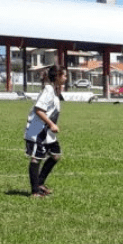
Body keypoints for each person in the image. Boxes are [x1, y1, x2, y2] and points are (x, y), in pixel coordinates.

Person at [24, 64, 67, 197]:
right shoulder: (48, 90)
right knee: (36, 158)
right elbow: (39, 110)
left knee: (55, 155)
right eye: (64, 75)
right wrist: (51, 124)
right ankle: (35, 192)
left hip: (45, 130)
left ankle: (40, 184)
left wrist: (59, 89)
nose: (66, 77)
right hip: (37, 128)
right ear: (58, 76)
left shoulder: (53, 89)